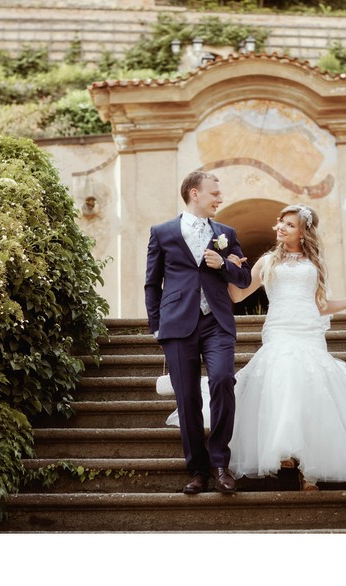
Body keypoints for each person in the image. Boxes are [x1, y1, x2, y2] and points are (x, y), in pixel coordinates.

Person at [168, 203, 346, 491]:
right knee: (284, 377)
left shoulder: (315, 264)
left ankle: (311, 469)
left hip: (309, 331)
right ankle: (283, 450)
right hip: (280, 329)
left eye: (290, 224)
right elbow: (237, 295)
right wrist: (226, 269)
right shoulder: (266, 261)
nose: (281, 227)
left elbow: (321, 305)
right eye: (280, 222)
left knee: (312, 389)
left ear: (303, 232)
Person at [145, 171, 252, 495]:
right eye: (214, 193)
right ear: (194, 193)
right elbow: (152, 283)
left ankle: (220, 462)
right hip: (177, 325)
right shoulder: (162, 233)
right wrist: (156, 326)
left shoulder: (226, 233)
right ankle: (197, 469)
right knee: (187, 398)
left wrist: (225, 265)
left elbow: (244, 278)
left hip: (216, 322)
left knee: (222, 380)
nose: (220, 198)